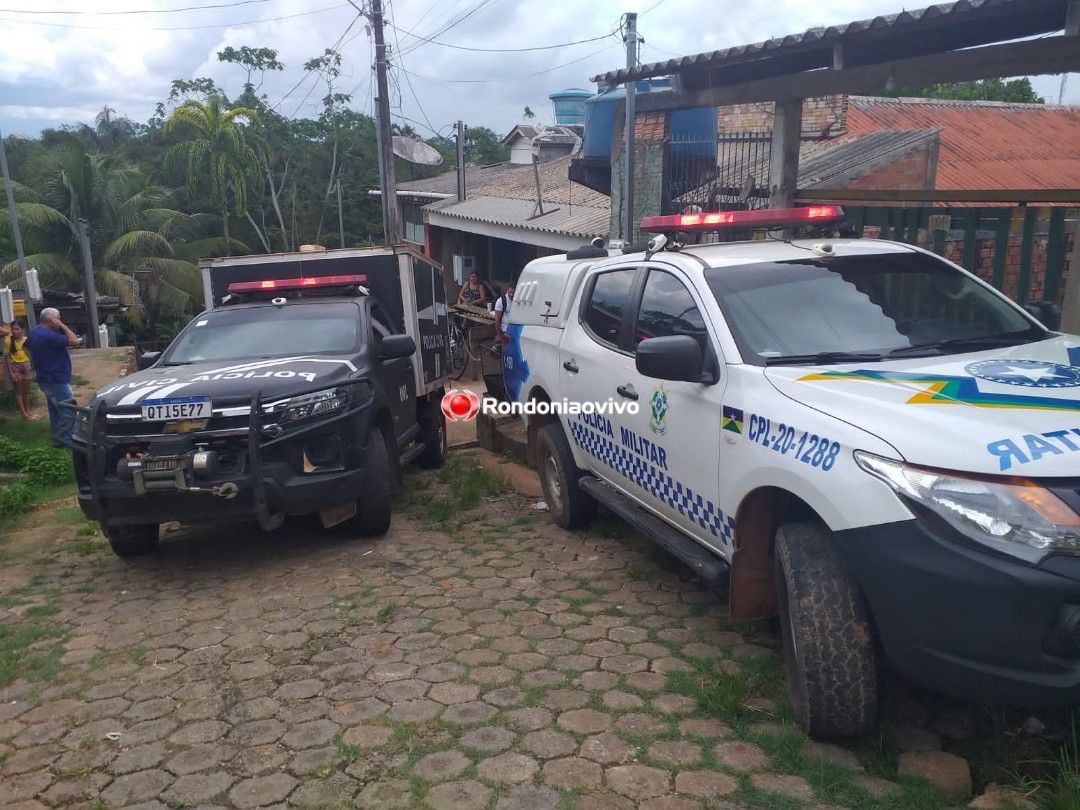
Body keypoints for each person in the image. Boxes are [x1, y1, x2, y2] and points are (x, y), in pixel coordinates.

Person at [25, 308, 79, 445]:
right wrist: (62, 326)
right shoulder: (49, 336)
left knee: (55, 409)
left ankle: (58, 439)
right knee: (68, 408)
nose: (60, 321)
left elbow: (25, 348)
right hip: (56, 378)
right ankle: (67, 440)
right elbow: (74, 340)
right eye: (59, 318)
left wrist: (37, 362)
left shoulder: (35, 332)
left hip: (45, 377)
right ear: (52, 320)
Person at [2, 319, 37, 420]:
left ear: (23, 330)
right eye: (13, 329)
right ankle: (23, 413)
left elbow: (31, 354)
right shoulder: (8, 341)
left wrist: (33, 368)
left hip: (26, 366)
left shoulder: (27, 340)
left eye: (17, 329)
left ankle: (28, 411)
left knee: (26, 391)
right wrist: (11, 372)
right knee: (18, 391)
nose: (15, 331)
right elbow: (7, 358)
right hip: (15, 367)